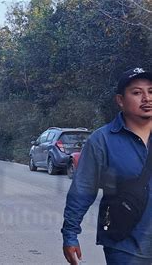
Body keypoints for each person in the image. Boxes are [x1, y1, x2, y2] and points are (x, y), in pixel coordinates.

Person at [62, 67, 152, 265]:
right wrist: (70, 234)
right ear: (120, 100)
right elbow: (83, 189)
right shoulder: (102, 140)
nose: (147, 98)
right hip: (124, 246)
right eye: (137, 92)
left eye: (151, 91)